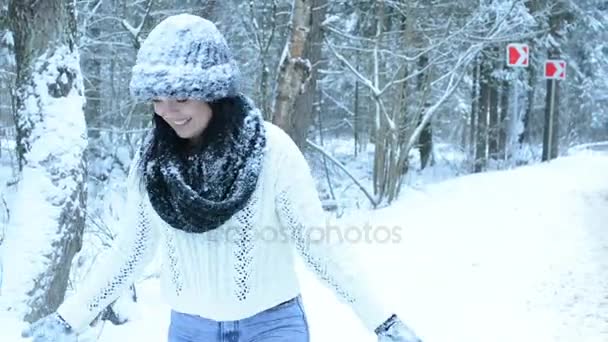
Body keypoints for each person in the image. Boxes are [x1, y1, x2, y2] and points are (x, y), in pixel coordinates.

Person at [21, 13, 422, 342]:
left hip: (271, 327)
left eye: (181, 97)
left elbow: (319, 245)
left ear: (214, 93)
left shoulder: (272, 151)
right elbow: (130, 250)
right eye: (157, 100)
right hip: (190, 329)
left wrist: (381, 320)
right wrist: (68, 319)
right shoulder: (153, 162)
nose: (169, 111)